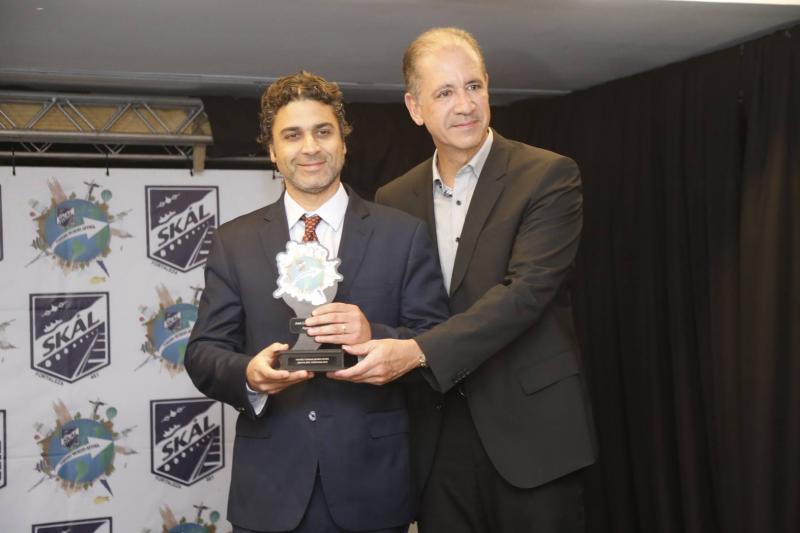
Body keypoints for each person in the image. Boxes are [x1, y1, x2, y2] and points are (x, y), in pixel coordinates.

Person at [333, 28, 597, 532]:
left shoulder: (547, 175)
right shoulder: (394, 197)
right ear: (415, 108)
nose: (465, 105)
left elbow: (525, 295)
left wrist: (417, 352)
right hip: (436, 439)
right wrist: (370, 334)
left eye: (474, 86)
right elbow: (402, 309)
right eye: (445, 92)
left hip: (532, 435)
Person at [185, 71, 449, 533]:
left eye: (323, 131)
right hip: (269, 492)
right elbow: (203, 352)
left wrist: (373, 337)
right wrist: (249, 375)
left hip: (373, 489)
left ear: (343, 142)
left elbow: (439, 343)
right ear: (272, 150)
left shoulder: (402, 235)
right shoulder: (234, 242)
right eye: (292, 135)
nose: (310, 147)